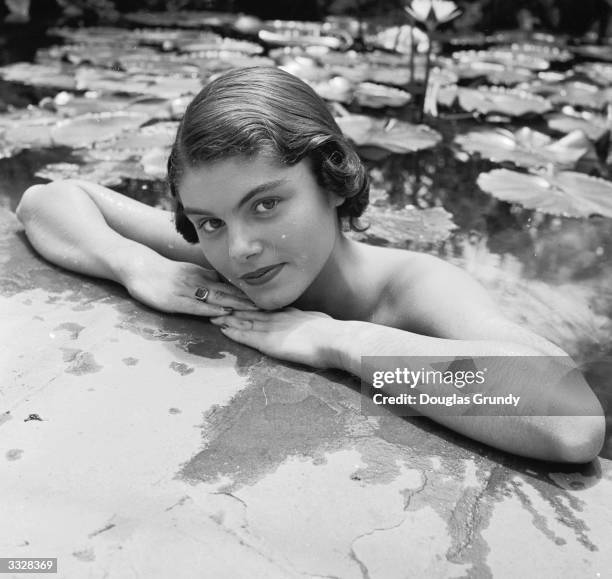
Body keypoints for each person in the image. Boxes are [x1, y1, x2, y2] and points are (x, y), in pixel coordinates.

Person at [16, 66, 605, 463]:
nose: (239, 247)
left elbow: (570, 417)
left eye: (266, 204)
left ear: (332, 178)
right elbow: (46, 200)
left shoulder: (416, 287)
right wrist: (133, 264)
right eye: (209, 221)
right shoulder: (220, 253)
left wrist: (340, 342)